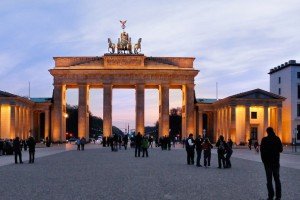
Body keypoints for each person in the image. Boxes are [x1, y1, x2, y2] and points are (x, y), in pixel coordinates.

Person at [260, 127, 283, 200]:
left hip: (267, 163)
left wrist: (264, 161)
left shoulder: (264, 140)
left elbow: (262, 152)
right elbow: (281, 149)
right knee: (277, 180)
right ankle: (278, 197)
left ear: (267, 132)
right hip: (275, 162)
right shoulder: (277, 138)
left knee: (269, 180)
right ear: (273, 131)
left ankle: (270, 196)